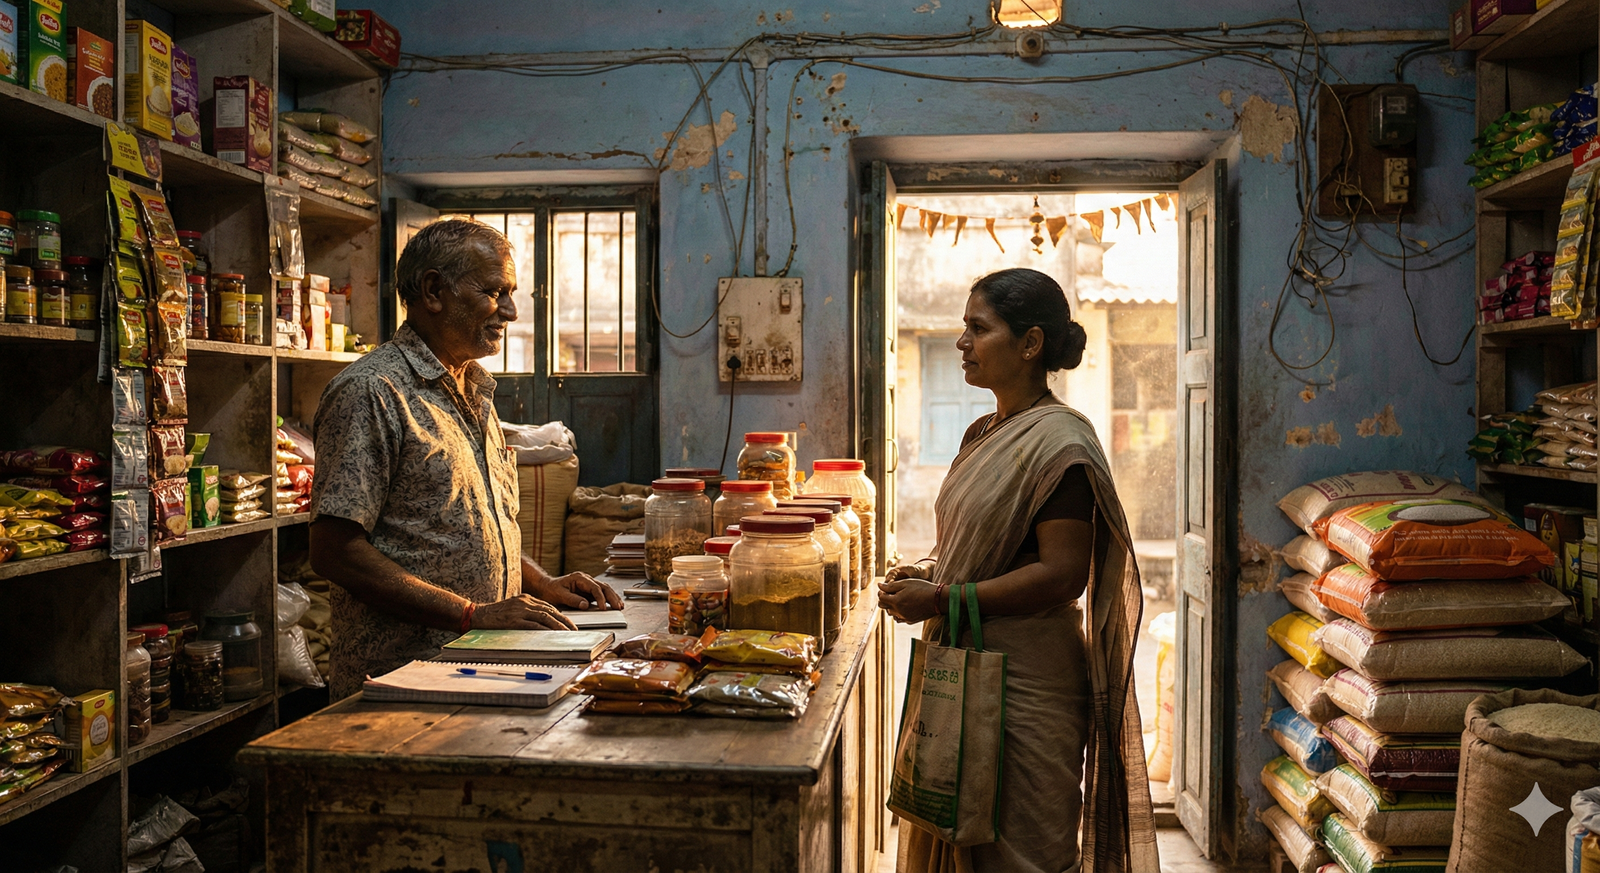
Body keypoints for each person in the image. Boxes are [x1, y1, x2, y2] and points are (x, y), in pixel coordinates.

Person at [879, 268, 1158, 873]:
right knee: (955, 836)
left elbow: (1062, 575)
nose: (962, 343)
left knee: (1023, 852)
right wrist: (928, 574)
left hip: (1028, 680)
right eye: (963, 328)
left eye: (978, 329)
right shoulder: (983, 432)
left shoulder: (1060, 442)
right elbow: (979, 549)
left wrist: (942, 597)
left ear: (1030, 344)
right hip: (966, 662)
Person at [309, 219, 622, 700]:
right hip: (402, 677)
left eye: (510, 293)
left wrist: (541, 583)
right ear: (433, 290)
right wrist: (471, 615)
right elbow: (336, 550)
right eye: (495, 292)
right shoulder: (372, 391)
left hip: (479, 662)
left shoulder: (473, 389)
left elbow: (469, 523)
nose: (511, 312)